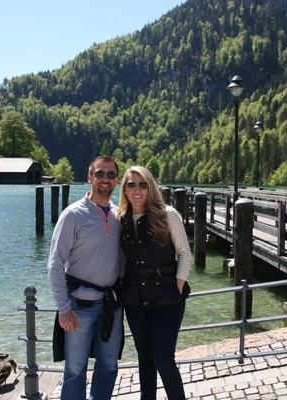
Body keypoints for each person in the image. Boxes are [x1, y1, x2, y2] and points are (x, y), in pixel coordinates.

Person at [48, 156, 123, 400]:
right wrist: (63, 308)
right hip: (79, 307)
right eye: (100, 174)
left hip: (111, 307)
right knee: (74, 370)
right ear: (89, 177)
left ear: (117, 180)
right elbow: (55, 265)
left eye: (111, 175)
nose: (105, 180)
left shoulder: (117, 215)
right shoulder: (73, 215)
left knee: (109, 366)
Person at [117, 166, 192, 400]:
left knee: (163, 359)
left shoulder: (167, 214)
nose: (137, 190)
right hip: (135, 300)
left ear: (151, 187)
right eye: (131, 184)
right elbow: (121, 261)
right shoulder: (122, 220)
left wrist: (177, 288)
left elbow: (185, 254)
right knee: (145, 360)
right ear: (125, 190)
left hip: (167, 298)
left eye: (142, 184)